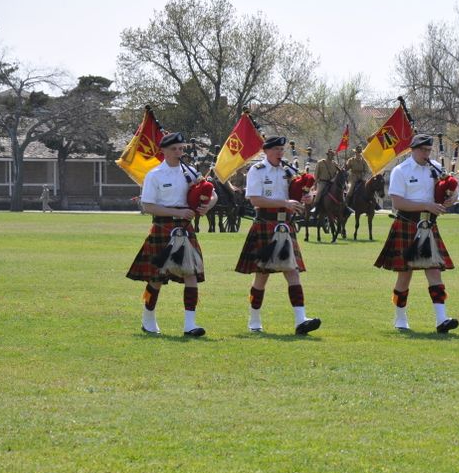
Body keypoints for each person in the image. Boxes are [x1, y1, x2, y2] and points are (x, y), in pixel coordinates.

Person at [126, 132, 217, 337]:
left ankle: (190, 325)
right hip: (163, 227)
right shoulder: (155, 175)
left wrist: (207, 206)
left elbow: (212, 193)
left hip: (185, 229)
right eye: (174, 149)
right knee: (156, 277)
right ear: (164, 151)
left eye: (181, 148)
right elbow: (148, 206)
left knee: (191, 274)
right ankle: (148, 318)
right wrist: (177, 212)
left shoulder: (191, 173)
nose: (179, 152)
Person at [235, 136, 321, 335]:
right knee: (262, 275)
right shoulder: (256, 171)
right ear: (266, 151)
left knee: (292, 271)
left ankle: (301, 320)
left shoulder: (288, 170)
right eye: (276, 150)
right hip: (265, 223)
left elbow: (297, 193)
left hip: (285, 224)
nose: (280, 153)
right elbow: (255, 199)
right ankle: (254, 320)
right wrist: (284, 203)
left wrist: (307, 197)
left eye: (282, 149)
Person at [374, 133, 459, 333]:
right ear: (413, 149)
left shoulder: (436, 168)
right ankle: (400, 318)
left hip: (428, 225)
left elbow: (453, 189)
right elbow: (397, 203)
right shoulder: (400, 171)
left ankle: (442, 319)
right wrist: (427, 205)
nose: (427, 154)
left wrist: (451, 199)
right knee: (405, 275)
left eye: (429, 150)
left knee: (434, 271)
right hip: (406, 224)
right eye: (423, 150)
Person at [311, 148, 339, 214]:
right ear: (328, 155)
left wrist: (334, 179)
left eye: (333, 155)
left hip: (332, 182)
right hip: (322, 182)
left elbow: (338, 173)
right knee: (319, 192)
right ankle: (315, 207)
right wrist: (316, 181)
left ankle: (343, 206)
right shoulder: (320, 163)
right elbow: (316, 174)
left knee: (340, 191)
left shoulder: (335, 164)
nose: (332, 156)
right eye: (330, 155)